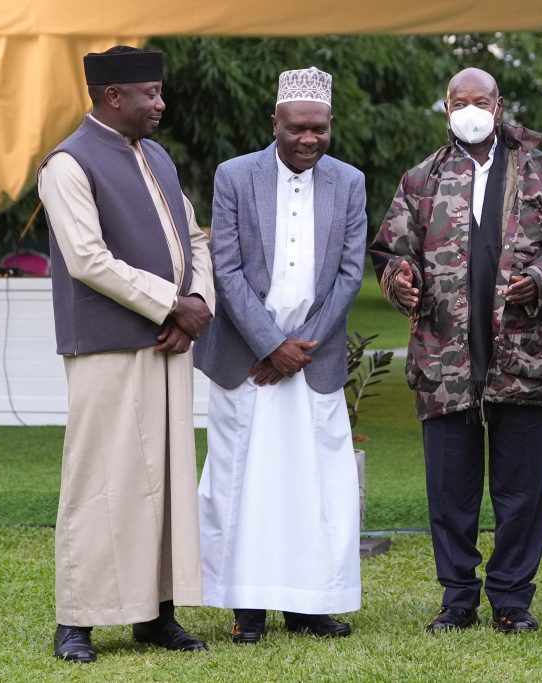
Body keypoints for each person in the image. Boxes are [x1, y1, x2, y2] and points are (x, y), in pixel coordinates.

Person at [369, 67, 542, 634]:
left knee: (521, 488)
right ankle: (458, 598)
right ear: (446, 107)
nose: (470, 109)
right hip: (444, 357)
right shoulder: (421, 178)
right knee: (450, 489)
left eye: (481, 100)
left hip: (525, 353)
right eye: (458, 101)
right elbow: (391, 251)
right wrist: (399, 278)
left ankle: (512, 600)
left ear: (499, 106)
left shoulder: (540, 172)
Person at [37, 45, 214, 663]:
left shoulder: (157, 157)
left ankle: (154, 614)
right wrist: (171, 304)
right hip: (107, 348)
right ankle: (77, 621)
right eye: (150, 93)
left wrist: (196, 302)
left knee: (163, 483)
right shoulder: (67, 164)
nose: (161, 103)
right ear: (113, 97)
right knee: (101, 482)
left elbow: (194, 235)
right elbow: (87, 259)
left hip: (168, 344)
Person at [193, 67, 366, 644]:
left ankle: (310, 603)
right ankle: (247, 608)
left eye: (319, 129)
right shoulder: (234, 175)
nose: (309, 140)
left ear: (330, 124)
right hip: (246, 358)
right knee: (242, 480)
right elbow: (226, 267)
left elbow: (349, 272)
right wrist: (271, 344)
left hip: (312, 359)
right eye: (297, 129)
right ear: (275, 123)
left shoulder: (350, 181)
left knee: (315, 484)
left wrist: (299, 348)